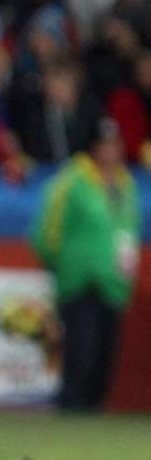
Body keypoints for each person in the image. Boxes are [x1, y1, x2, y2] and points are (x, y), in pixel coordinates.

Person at [31, 117, 141, 412]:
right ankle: (71, 412)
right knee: (81, 352)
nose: (111, 151)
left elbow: (128, 232)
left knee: (104, 357)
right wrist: (63, 265)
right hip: (79, 280)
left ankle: (93, 414)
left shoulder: (126, 184)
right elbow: (46, 233)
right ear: (92, 148)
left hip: (113, 283)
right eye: (105, 145)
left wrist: (126, 273)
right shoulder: (73, 181)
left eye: (115, 144)